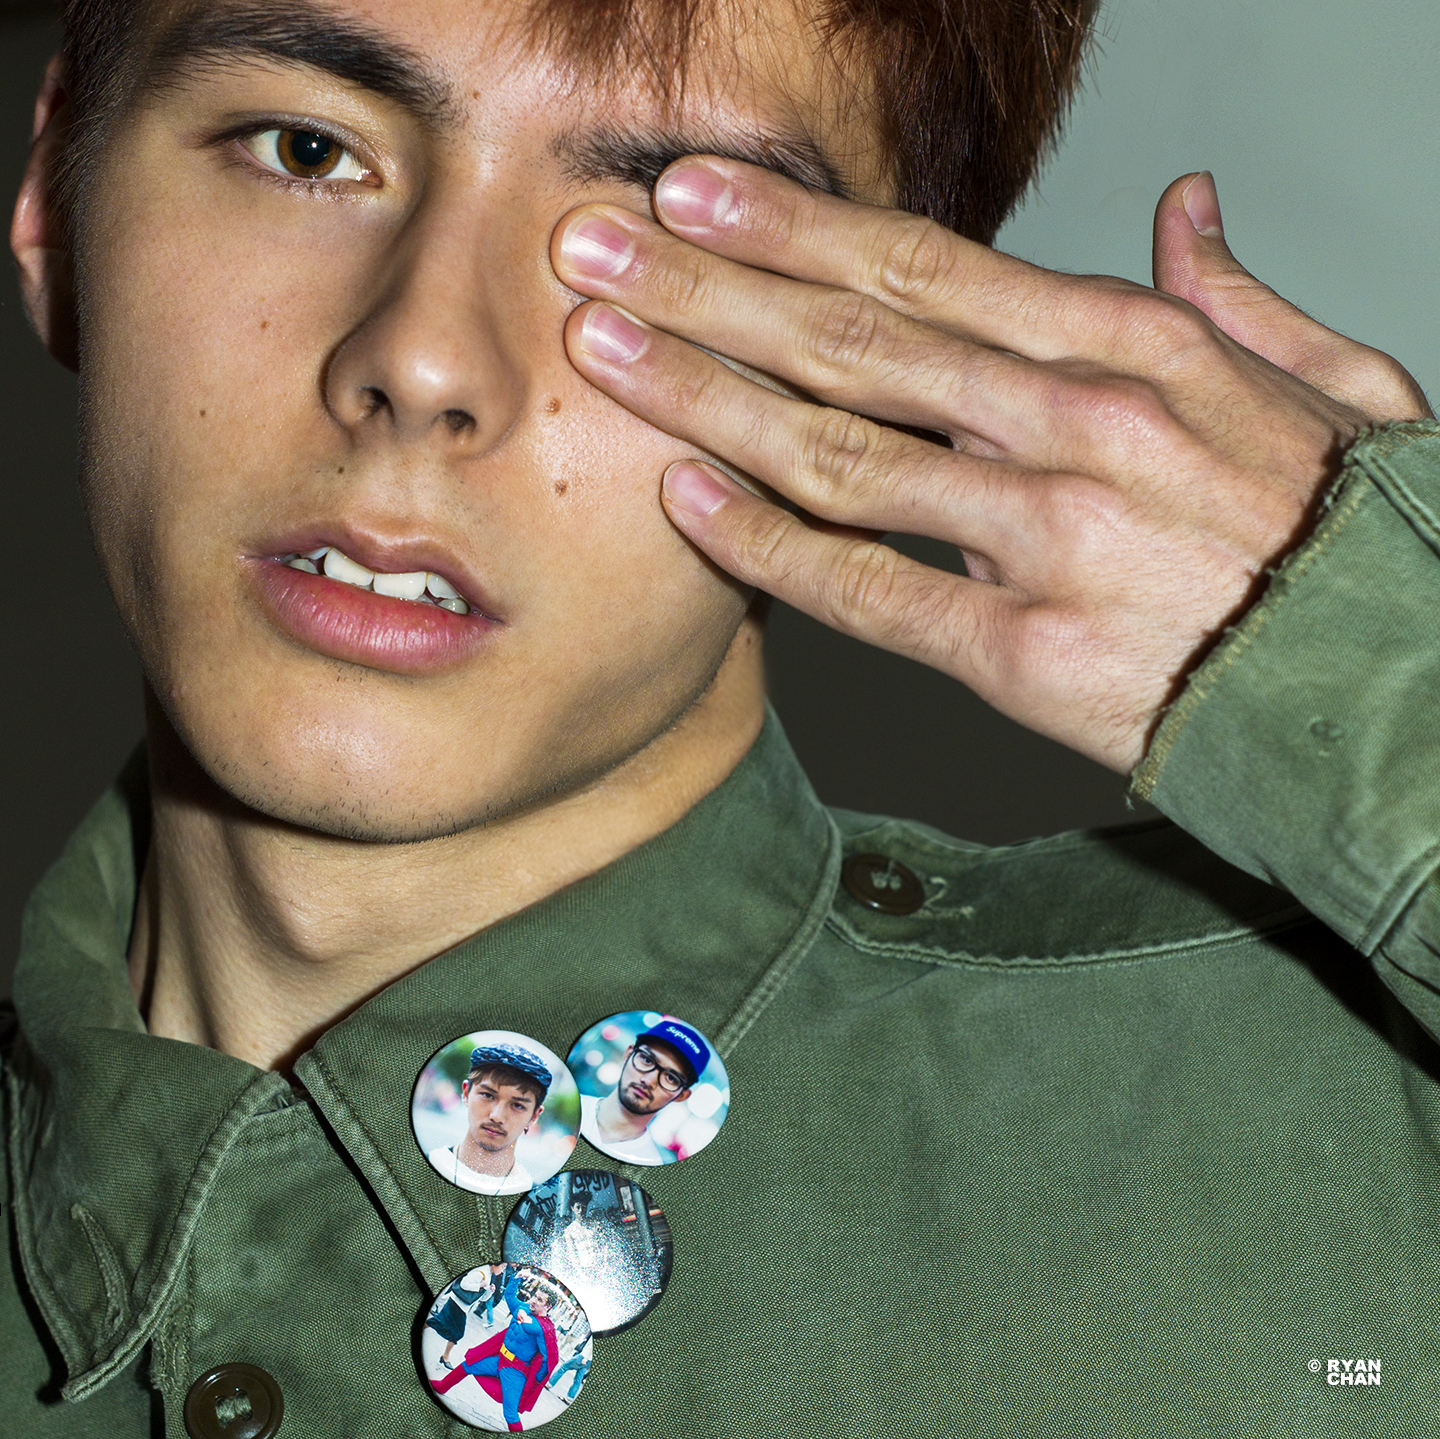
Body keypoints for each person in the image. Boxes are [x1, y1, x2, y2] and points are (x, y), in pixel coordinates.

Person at [2, 0, 1437, 1434]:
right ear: (54, 205)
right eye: (306, 149)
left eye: (663, 235)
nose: (425, 361)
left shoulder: (1336, 1123)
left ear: (881, 373)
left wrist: (1388, 667)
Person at [431, 1272, 559, 1431]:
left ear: (548, 1307)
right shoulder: (525, 1308)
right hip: (500, 1359)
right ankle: (442, 1386)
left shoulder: (545, 1328)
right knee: (468, 1365)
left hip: (515, 1371)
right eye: (535, 1296)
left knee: (510, 1414)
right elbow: (510, 1296)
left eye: (540, 1300)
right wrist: (516, 1278)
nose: (533, 1300)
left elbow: (548, 1356)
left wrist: (535, 1378)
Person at [424, 1043, 552, 1194]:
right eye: (487, 1095)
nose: (497, 1116)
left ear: (534, 1116)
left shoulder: (537, 1199)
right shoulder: (419, 1166)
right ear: (466, 1093)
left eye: (517, 1105)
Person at [578, 1020, 707, 1163]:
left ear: (681, 1096)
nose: (649, 1081)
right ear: (628, 1054)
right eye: (647, 1060)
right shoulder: (568, 1107)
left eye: (670, 1078)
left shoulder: (649, 1163)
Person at [424, 1265, 495, 1370]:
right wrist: (480, 1285)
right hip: (457, 1303)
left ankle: (445, 1356)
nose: (503, 1270)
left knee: (440, 1322)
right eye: (502, 1267)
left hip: (462, 1306)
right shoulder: (482, 1272)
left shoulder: (490, 1275)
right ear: (495, 1265)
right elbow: (464, 1284)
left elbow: (482, 1299)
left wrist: (489, 1291)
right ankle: (445, 1356)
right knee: (457, 1332)